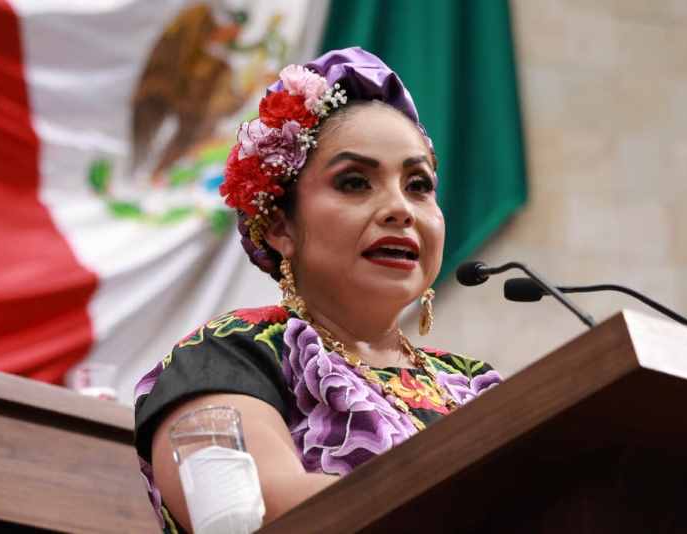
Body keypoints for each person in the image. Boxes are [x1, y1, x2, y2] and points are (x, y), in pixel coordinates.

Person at [133, 47, 502, 533]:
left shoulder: (473, 385)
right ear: (280, 226)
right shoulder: (228, 356)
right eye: (355, 182)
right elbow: (259, 515)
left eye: (418, 185)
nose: (400, 209)